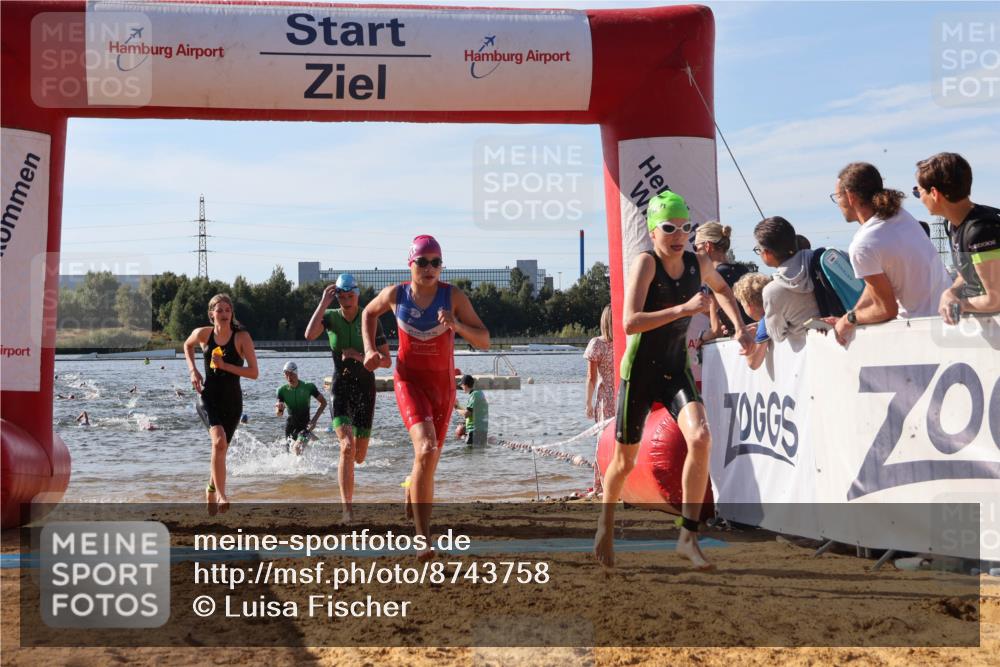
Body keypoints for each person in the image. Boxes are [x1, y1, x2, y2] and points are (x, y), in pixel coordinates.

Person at [595, 191, 751, 571]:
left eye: (685, 228)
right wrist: (683, 309)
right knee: (623, 463)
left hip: (674, 368)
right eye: (669, 228)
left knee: (701, 437)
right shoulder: (646, 265)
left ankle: (687, 536)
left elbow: (724, 291)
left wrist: (741, 328)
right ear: (653, 232)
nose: (678, 235)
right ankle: (604, 523)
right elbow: (630, 321)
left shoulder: (700, 262)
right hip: (641, 372)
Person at [362, 235, 490, 559]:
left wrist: (456, 325)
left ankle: (411, 483)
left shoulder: (453, 297)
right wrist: (369, 350)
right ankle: (423, 540)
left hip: (443, 388)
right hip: (409, 381)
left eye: (436, 262)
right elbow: (368, 313)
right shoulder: (396, 294)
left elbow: (485, 340)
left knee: (428, 461)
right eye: (423, 261)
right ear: (411, 264)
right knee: (427, 447)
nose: (430, 268)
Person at [829, 162, 952, 345]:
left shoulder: (863, 244)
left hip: (921, 336)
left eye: (837, 196)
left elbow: (885, 309)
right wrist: (849, 316)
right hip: (948, 323)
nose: (838, 203)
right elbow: (875, 289)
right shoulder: (900, 215)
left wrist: (848, 321)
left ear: (850, 196)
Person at [306, 273, 390, 522]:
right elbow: (309, 335)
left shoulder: (370, 318)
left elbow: (386, 361)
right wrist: (323, 303)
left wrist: (360, 356)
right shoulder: (331, 317)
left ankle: (348, 474)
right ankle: (347, 510)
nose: (346, 300)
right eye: (341, 297)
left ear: (357, 294)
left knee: (360, 455)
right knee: (346, 447)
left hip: (365, 389)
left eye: (350, 296)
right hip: (341, 386)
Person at [184, 293, 259, 515]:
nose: (224, 314)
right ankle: (222, 495)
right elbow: (187, 346)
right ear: (211, 314)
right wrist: (193, 370)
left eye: (228, 310)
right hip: (207, 397)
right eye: (220, 310)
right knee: (218, 442)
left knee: (221, 448)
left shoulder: (242, 337)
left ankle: (210, 488)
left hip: (232, 401)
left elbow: (254, 373)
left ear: (232, 314)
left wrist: (225, 366)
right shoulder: (203, 334)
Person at [914, 152, 1000, 320]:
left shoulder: (981, 231)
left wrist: (961, 304)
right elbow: (970, 271)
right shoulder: (954, 223)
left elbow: (995, 299)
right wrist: (951, 292)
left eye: (918, 192)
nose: (919, 199)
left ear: (934, 193)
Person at [754, 216, 821, 344]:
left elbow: (777, 335)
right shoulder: (823, 258)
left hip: (812, 353)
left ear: (767, 252)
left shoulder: (772, 291)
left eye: (758, 249)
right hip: (852, 336)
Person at [694, 221, 752, 336]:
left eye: (696, 248)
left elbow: (716, 330)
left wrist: (702, 338)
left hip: (735, 343)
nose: (695, 253)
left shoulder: (716, 276)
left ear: (707, 246)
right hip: (754, 337)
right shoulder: (743, 270)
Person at [584, 304, 615, 496]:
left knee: (603, 441)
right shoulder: (625, 341)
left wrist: (588, 403)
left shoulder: (597, 344)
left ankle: (600, 485)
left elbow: (591, 378)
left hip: (606, 398)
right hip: (623, 394)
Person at [275, 361, 327, 455]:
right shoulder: (281, 391)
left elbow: (323, 403)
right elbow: (279, 414)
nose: (289, 377)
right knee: (289, 455)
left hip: (305, 426)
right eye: (286, 374)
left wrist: (314, 420)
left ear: (296, 373)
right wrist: (279, 408)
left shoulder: (308, 387)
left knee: (297, 448)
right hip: (290, 427)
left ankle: (304, 469)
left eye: (291, 374)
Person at [732, 272, 772, 370]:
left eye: (742, 305)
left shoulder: (766, 320)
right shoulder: (773, 313)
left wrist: (750, 340)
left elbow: (753, 363)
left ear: (749, 306)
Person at [454, 374, 489, 446]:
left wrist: (456, 408)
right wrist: (458, 405)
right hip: (482, 432)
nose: (461, 387)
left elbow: (466, 414)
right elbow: (471, 412)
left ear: (465, 385)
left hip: (474, 433)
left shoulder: (474, 395)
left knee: (467, 455)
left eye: (462, 385)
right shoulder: (479, 393)